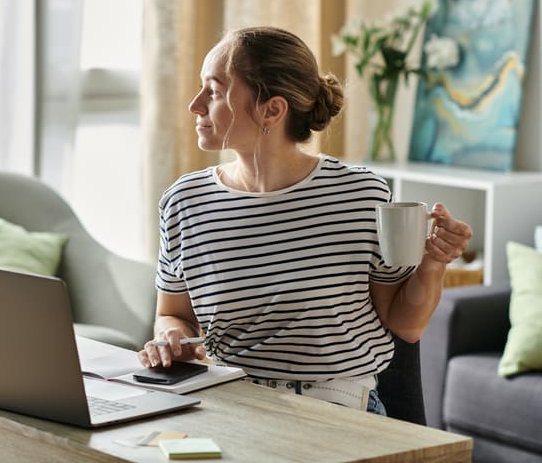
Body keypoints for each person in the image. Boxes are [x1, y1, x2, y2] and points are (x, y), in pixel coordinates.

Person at [137, 26, 473, 415]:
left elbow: (405, 324)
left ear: (272, 110)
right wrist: (172, 340)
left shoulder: (360, 195)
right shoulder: (185, 202)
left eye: (213, 91)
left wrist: (434, 261)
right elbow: (172, 313)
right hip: (230, 405)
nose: (195, 105)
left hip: (337, 410)